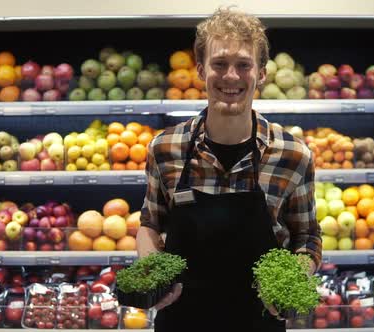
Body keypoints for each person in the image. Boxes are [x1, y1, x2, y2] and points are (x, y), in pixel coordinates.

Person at [136, 7, 322, 332]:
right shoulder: (165, 149)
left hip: (260, 322)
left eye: (244, 65)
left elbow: (306, 236)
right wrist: (153, 272)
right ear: (200, 69)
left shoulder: (293, 155)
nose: (231, 77)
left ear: (261, 73)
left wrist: (291, 280)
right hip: (181, 320)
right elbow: (150, 224)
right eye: (219, 64)